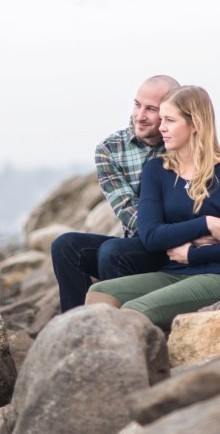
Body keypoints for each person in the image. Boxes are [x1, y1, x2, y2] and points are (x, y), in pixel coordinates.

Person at [85, 85, 220, 328]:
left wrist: (193, 253)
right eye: (161, 120)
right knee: (100, 293)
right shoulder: (157, 171)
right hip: (173, 272)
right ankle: (97, 362)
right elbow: (150, 235)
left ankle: (134, 365)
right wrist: (206, 223)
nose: (161, 128)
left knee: (134, 310)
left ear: (195, 124)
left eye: (169, 120)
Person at [51, 74, 180, 311]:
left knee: (112, 253)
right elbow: (126, 209)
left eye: (151, 109)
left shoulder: (180, 141)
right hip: (145, 242)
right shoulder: (110, 149)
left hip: (181, 244)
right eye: (137, 104)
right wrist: (165, 235)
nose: (140, 116)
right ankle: (77, 325)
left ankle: (119, 326)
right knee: (64, 246)